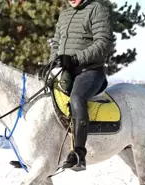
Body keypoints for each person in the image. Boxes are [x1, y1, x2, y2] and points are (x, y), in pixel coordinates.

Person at [49, 0, 113, 171]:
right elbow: (56, 43)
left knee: (77, 98)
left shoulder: (97, 9)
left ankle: (79, 154)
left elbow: (102, 43)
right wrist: (53, 62)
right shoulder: (64, 14)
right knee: (43, 96)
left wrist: (76, 59)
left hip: (90, 71)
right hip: (66, 71)